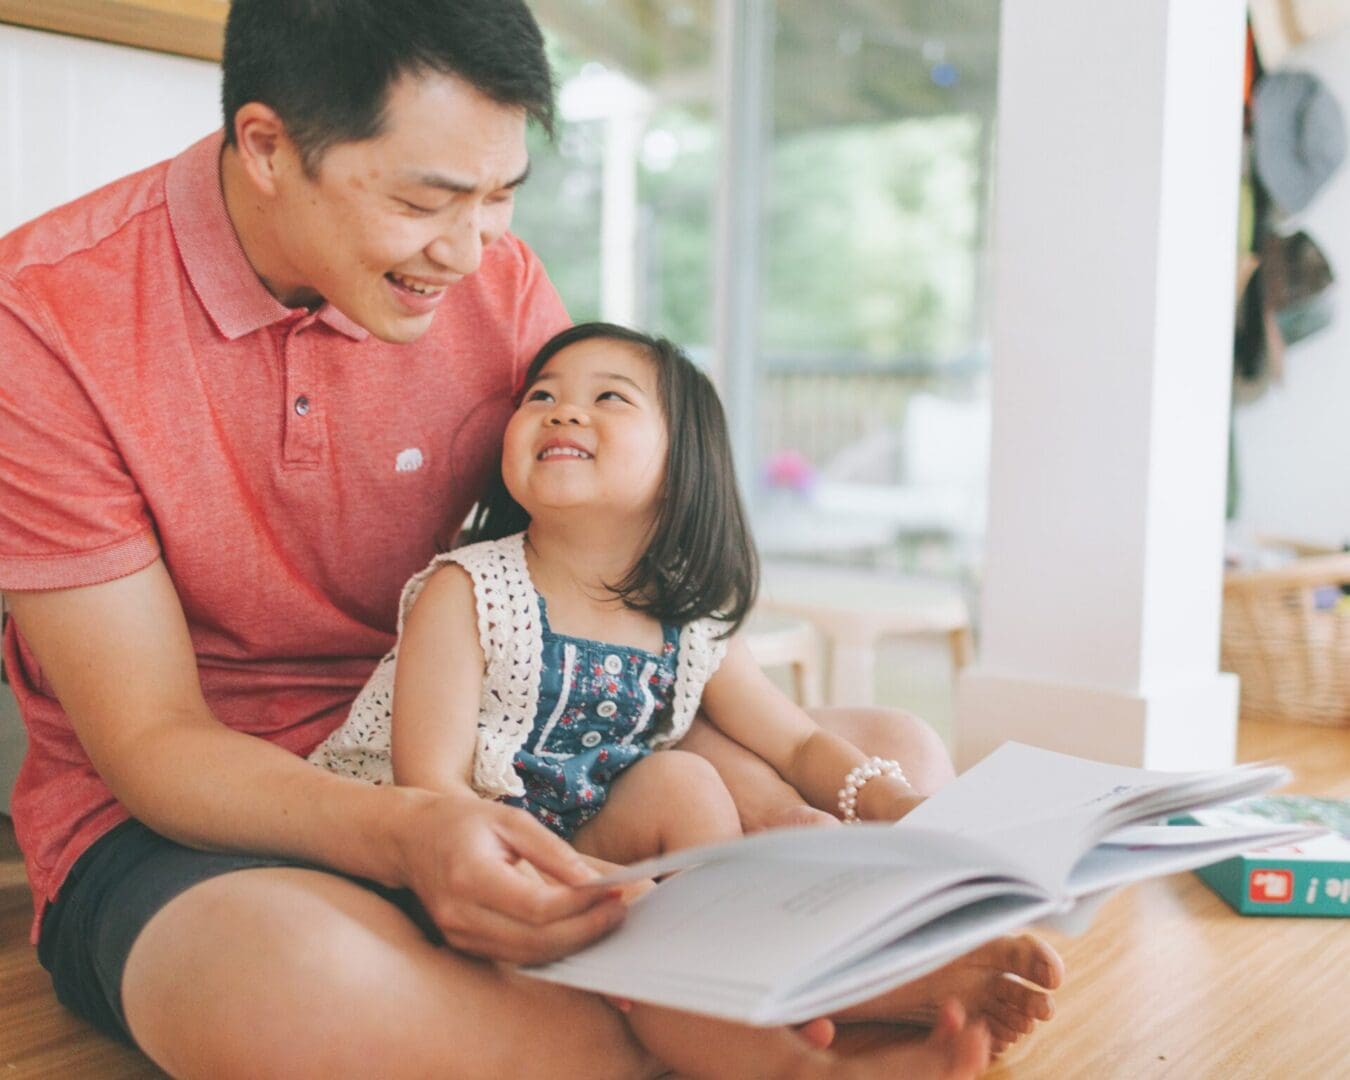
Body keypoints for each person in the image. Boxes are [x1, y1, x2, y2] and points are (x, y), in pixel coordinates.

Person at [0, 1, 1058, 1076]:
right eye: (428, 200)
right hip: (212, 826)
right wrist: (415, 833)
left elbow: (602, 541)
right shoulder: (44, 321)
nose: (468, 251)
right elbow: (154, 745)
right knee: (292, 984)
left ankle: (703, 1010)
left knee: (898, 749)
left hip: (507, 755)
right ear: (269, 147)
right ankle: (772, 1007)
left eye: (501, 196)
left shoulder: (489, 283)